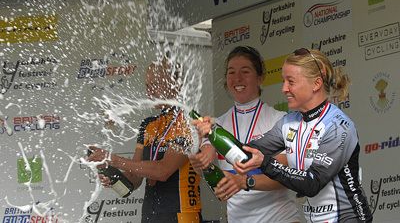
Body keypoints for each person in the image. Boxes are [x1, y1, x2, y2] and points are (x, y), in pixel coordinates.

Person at [195, 48, 373, 222]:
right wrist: (212, 132)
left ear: (316, 84)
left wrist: (261, 165)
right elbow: (247, 154)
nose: (284, 89)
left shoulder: (338, 127)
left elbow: (312, 184)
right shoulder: (289, 122)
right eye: (283, 81)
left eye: (291, 82)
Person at [189, 46, 300, 223]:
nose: (237, 78)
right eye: (231, 72)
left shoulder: (279, 120)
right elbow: (209, 171)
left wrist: (242, 181)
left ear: (260, 77)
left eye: (245, 71)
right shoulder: (216, 125)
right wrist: (200, 160)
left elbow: (285, 177)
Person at [87, 57, 202, 223]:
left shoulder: (188, 121)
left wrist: (113, 158)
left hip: (181, 217)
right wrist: (112, 174)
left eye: (155, 84)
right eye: (147, 86)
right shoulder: (148, 125)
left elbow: (163, 171)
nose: (150, 92)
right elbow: (133, 181)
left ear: (176, 85)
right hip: (149, 217)